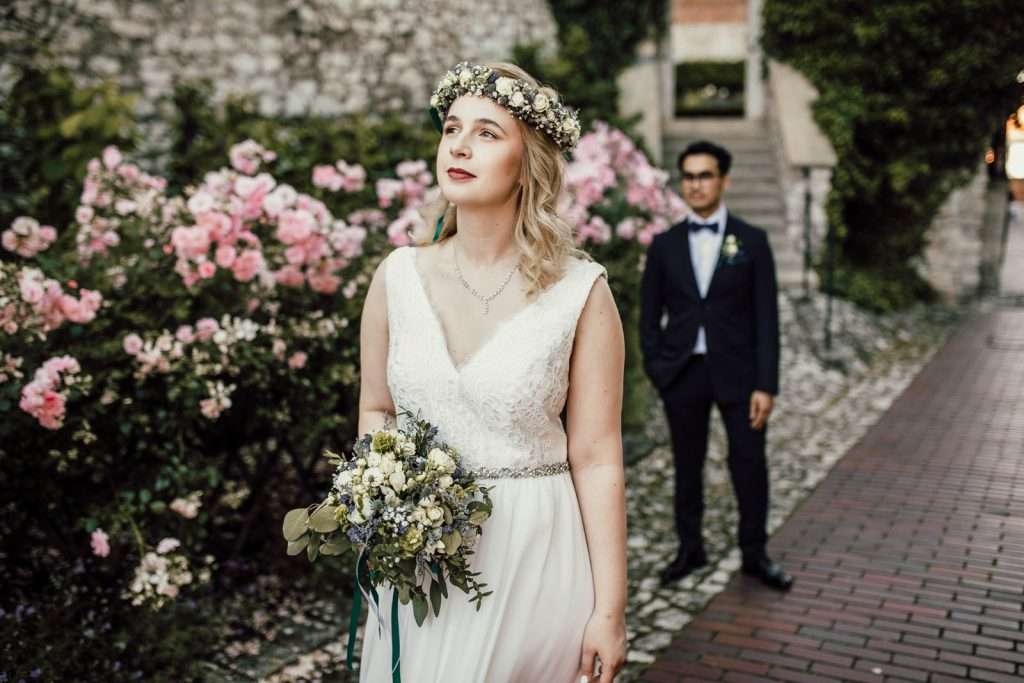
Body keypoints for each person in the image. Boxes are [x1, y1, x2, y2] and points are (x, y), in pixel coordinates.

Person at [356, 61, 628, 682]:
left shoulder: (581, 293)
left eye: (486, 132)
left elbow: (598, 456)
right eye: (452, 128)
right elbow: (377, 406)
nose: (458, 144)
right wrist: (384, 492)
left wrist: (610, 611)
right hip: (420, 562)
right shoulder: (396, 277)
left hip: (535, 553)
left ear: (527, 160)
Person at [639, 140, 793, 591]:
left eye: (705, 175)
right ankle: (690, 549)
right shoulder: (664, 245)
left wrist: (767, 384)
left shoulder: (752, 241)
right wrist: (658, 369)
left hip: (741, 376)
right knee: (686, 466)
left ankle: (755, 553)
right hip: (683, 373)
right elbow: (648, 317)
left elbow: (767, 318)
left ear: (724, 180)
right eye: (688, 176)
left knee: (748, 462)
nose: (696, 184)